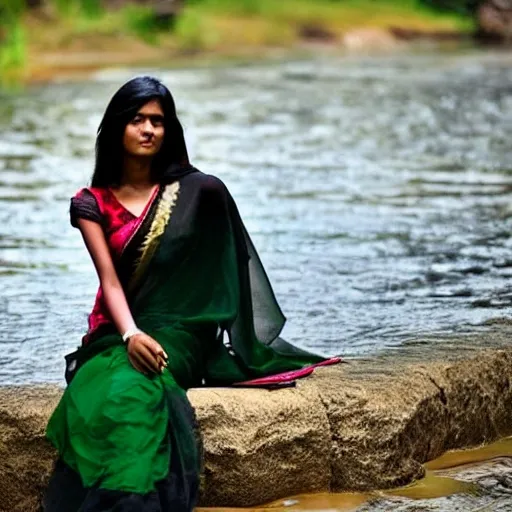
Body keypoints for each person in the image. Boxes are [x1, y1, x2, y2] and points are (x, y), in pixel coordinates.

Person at [43, 76, 338, 512]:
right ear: (116, 128)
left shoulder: (201, 193)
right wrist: (130, 336)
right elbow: (109, 282)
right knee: (117, 385)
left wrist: (191, 325)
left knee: (139, 385)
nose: (148, 130)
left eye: (158, 121)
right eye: (137, 120)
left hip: (184, 334)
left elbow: (222, 274)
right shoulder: (92, 202)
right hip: (117, 330)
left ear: (170, 130)